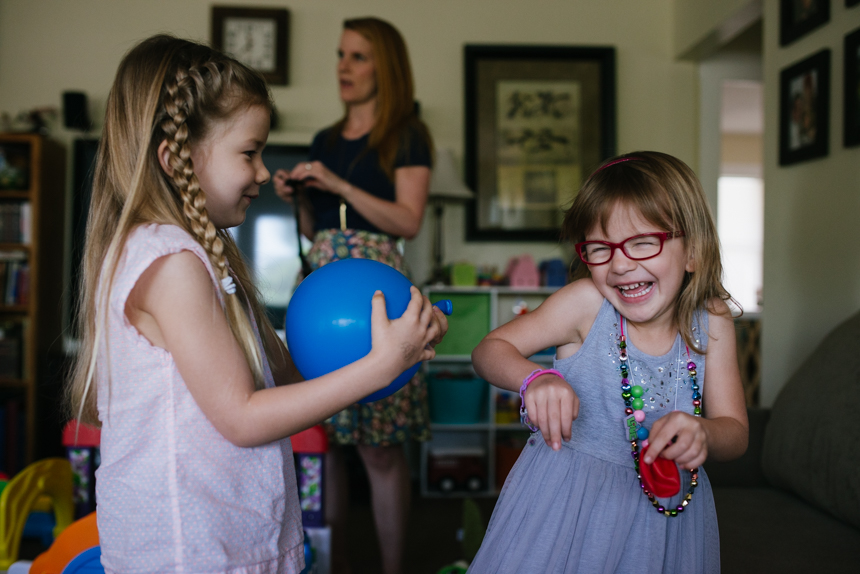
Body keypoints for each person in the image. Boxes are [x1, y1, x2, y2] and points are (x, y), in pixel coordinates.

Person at [65, 34, 446, 573]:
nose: (265, 173)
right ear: (175, 160)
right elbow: (243, 417)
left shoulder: (203, 256)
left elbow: (278, 377)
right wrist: (378, 368)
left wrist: (390, 347)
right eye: (249, 153)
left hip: (227, 538)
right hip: (190, 552)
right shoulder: (170, 262)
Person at [467, 152, 749, 573]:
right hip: (566, 505)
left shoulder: (712, 321)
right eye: (600, 248)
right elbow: (488, 350)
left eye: (642, 242)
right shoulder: (585, 305)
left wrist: (704, 432)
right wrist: (536, 378)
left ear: (693, 252)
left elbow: (737, 432)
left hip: (665, 516)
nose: (619, 264)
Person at [272, 17, 432, 574]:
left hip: (374, 291)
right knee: (326, 443)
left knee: (380, 446)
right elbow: (314, 231)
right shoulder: (321, 140)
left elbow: (408, 220)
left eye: (358, 57)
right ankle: (331, 564)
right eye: (341, 54)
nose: (344, 66)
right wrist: (295, 194)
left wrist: (338, 185)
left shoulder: (407, 134)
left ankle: (392, 567)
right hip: (321, 289)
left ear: (384, 66)